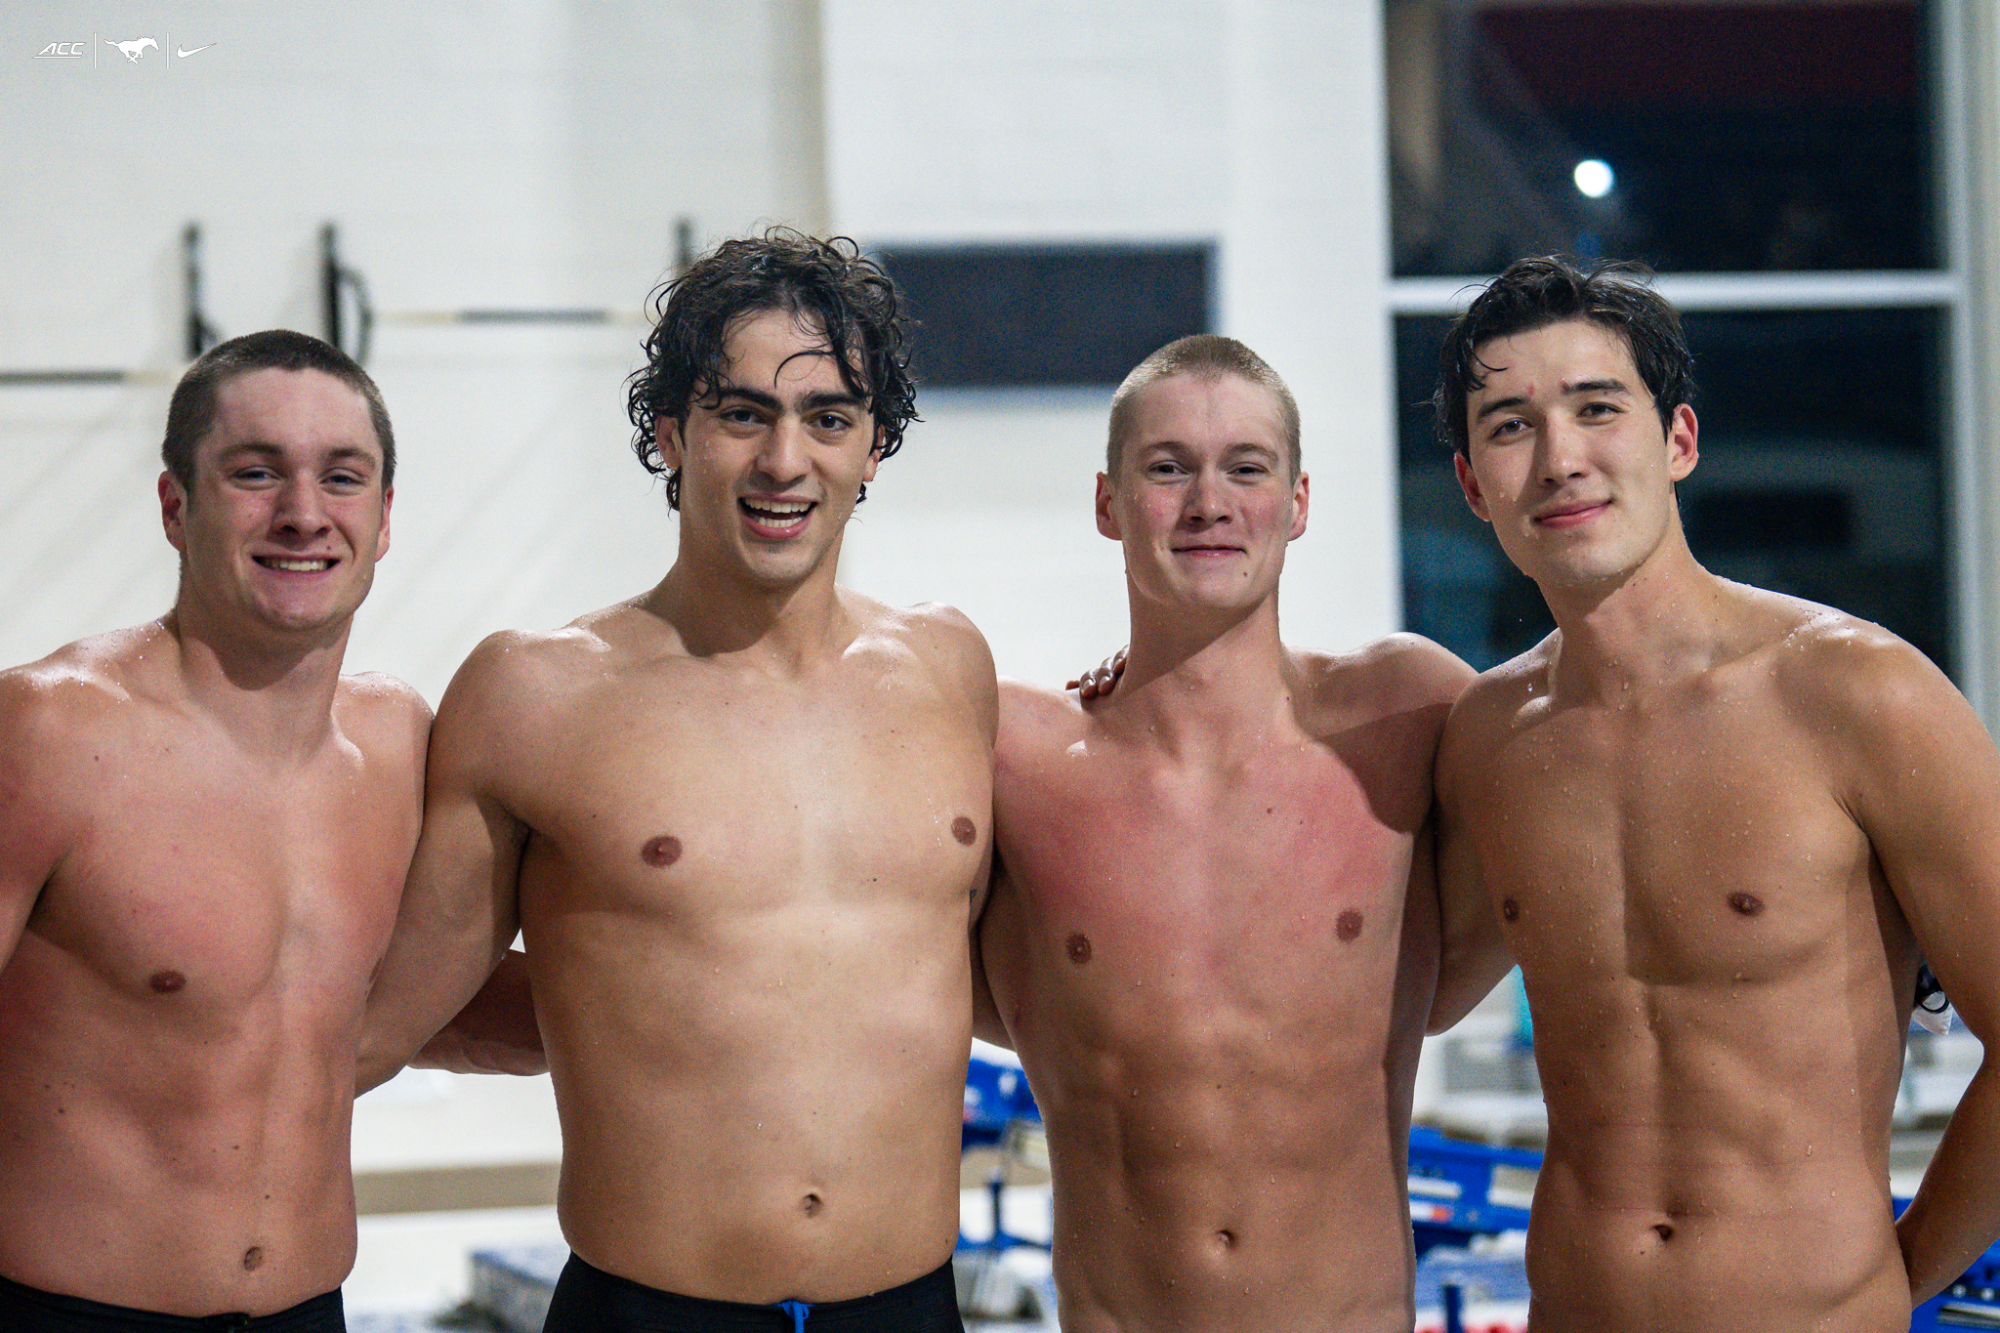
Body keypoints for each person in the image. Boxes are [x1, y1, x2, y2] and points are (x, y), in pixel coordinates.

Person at [357, 229, 996, 1333]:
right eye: (742, 413)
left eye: (828, 417)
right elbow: (387, 1016)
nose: (784, 461)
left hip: (907, 1307)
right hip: (649, 1310)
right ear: (670, 435)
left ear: (873, 449)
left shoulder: (951, 672)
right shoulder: (534, 693)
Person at [1431, 255, 2000, 1330]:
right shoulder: (1488, 741)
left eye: (1595, 409)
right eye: (1508, 425)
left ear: (1677, 440)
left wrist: (1895, 1277)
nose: (1559, 459)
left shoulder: (1856, 692)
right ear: (1471, 484)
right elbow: (1389, 997)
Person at [978, 335, 1472, 1331]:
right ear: (1108, 503)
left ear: (1295, 503)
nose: (1209, 502)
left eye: (1245, 468)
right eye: (1167, 468)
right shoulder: (1015, 759)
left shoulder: (1405, 715)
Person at [0, 331, 427, 1330]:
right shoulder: (52, 730)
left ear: (384, 516)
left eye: (342, 476)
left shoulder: (400, 744)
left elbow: (409, 1003)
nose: (303, 514)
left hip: (307, 1308)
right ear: (173, 506)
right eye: (254, 472)